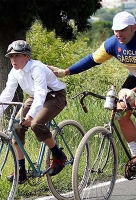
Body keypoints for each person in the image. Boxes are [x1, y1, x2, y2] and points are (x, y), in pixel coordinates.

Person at [50, 11, 136, 168]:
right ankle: (135, 155)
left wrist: (134, 92)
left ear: (134, 28)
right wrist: (66, 71)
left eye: (123, 29)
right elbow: (91, 60)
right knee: (120, 112)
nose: (118, 34)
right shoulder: (113, 44)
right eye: (116, 30)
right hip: (134, 76)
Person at [0, 40, 67, 184]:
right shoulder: (14, 72)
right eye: (11, 56)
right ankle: (21, 170)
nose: (13, 60)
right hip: (35, 97)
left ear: (27, 57)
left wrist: (30, 116)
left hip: (55, 95)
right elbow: (7, 93)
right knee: (16, 126)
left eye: (17, 56)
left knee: (36, 124)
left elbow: (41, 93)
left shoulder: (37, 68)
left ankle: (58, 155)